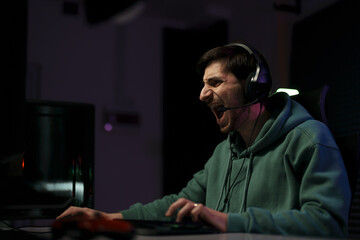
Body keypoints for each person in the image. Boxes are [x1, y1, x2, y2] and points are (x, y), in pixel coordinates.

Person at [57, 42, 351, 237]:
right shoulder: (224, 152)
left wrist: (228, 221)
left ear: (253, 87)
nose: (202, 94)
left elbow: (328, 223)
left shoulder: (309, 138)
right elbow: (178, 204)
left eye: (215, 83)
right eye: (203, 85)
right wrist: (107, 217)